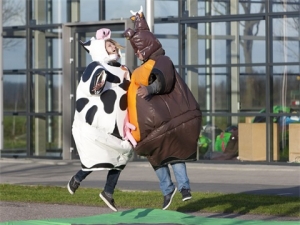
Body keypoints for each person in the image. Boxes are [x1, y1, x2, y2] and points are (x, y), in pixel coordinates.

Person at [123, 7, 202, 210]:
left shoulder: (163, 61)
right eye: (136, 51)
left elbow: (162, 80)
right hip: (152, 128)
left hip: (170, 120)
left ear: (149, 46)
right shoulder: (144, 67)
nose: (138, 54)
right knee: (156, 158)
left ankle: (184, 188)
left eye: (140, 50)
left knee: (174, 154)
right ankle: (167, 190)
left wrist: (150, 89)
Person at [67, 28, 136, 212]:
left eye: (113, 44)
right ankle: (77, 179)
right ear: (100, 49)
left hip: (119, 123)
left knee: (121, 156)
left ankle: (108, 192)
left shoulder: (123, 69)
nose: (113, 47)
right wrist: (100, 82)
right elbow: (92, 88)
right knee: (98, 155)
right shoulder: (96, 67)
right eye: (109, 45)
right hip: (100, 122)